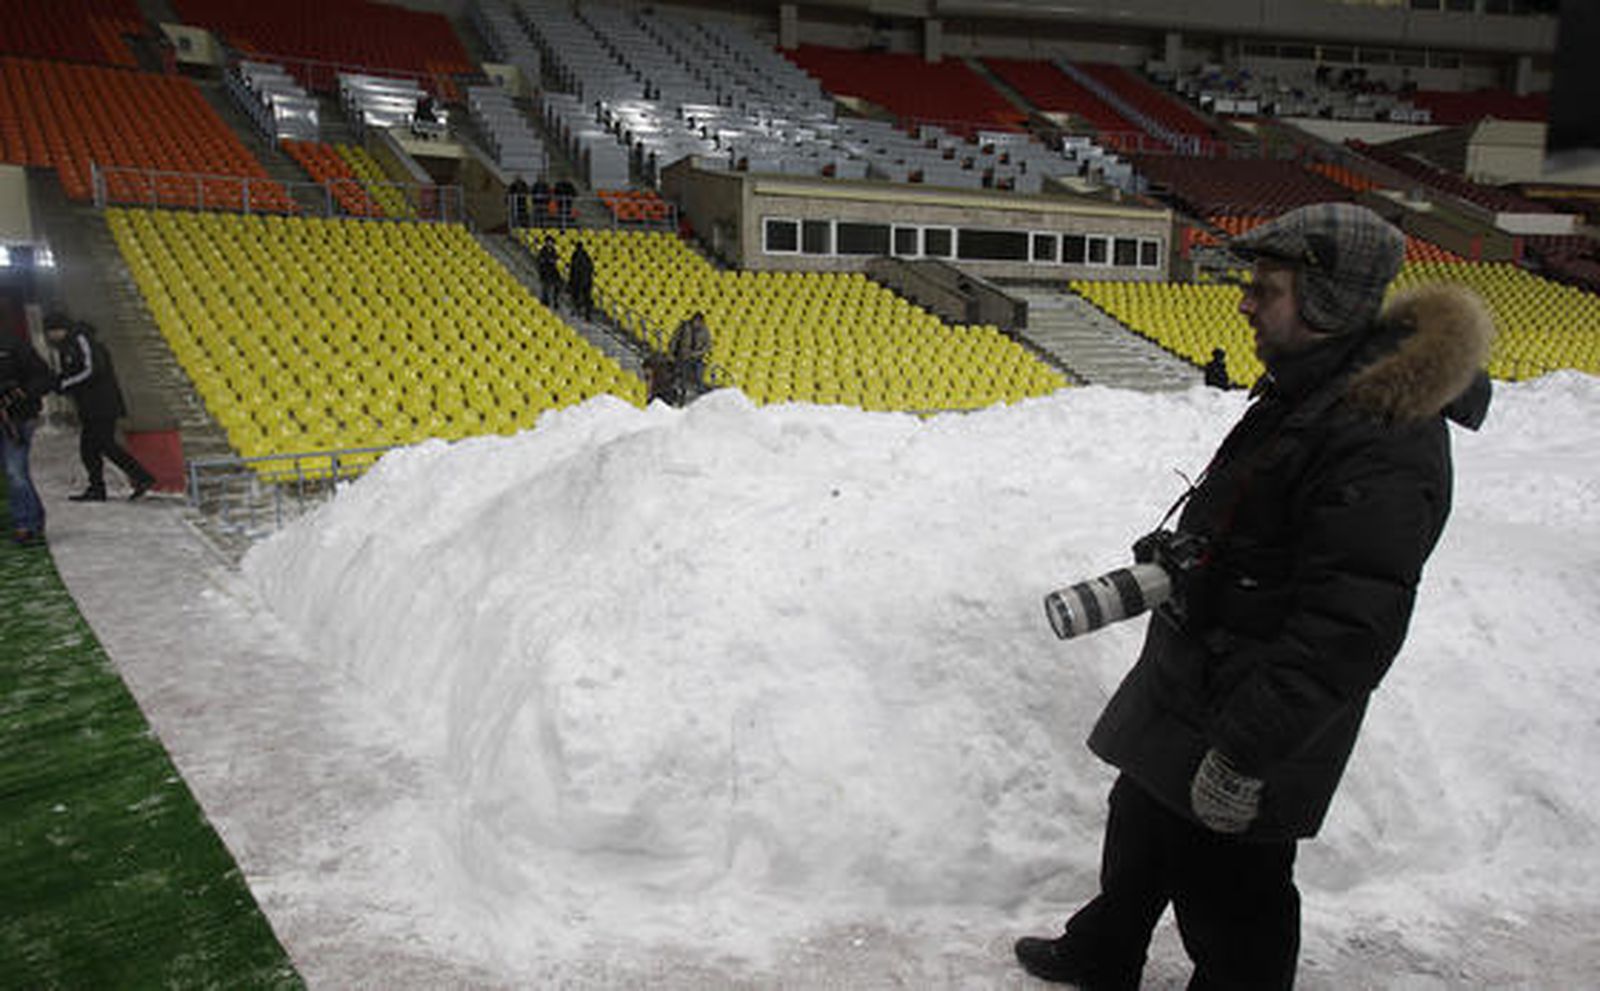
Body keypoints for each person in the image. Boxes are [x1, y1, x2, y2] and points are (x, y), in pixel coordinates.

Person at [1015, 203, 1494, 989]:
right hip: (1204, 663)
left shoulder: (1382, 431)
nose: (1244, 301)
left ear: (1327, 302)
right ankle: (1105, 947)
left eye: (1265, 289)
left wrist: (1247, 752)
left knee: (1234, 889)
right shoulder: (1311, 389)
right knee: (1140, 821)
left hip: (1258, 697)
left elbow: (1351, 622)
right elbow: (1261, 523)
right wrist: (1185, 558)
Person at [43, 314, 155, 502]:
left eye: (50, 332)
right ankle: (97, 488)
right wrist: (61, 381)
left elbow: (92, 369)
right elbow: (72, 371)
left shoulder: (81, 338)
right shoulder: (67, 346)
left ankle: (142, 477)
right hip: (89, 404)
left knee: (104, 444)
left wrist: (65, 384)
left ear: (59, 329)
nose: (49, 337)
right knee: (89, 447)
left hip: (102, 402)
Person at [0, 323, 56, 544]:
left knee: (15, 471)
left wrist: (20, 393)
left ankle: (27, 524)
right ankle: (33, 516)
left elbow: (45, 378)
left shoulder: (14, 346)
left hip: (17, 418)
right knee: (13, 472)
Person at [668, 311, 712, 403]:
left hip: (696, 358)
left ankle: (699, 395)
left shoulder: (705, 331)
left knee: (699, 375)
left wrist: (696, 353)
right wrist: (671, 353)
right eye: (696, 320)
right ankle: (679, 395)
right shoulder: (684, 326)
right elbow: (674, 339)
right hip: (682, 356)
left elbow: (707, 346)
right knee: (680, 375)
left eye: (699, 321)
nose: (697, 323)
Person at [568, 239, 594, 321]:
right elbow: (591, 267)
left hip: (579, 281)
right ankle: (587, 315)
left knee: (578, 296)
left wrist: (571, 280)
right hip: (587, 281)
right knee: (586, 298)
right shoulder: (586, 256)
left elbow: (573, 269)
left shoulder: (575, 256)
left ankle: (578, 311)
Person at [536, 236, 562, 309]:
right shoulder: (542, 251)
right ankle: (545, 300)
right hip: (545, 270)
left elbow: (555, 258)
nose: (550, 244)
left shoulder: (553, 250)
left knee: (557, 285)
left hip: (552, 270)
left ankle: (555, 300)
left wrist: (553, 260)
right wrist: (547, 260)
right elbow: (540, 260)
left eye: (551, 242)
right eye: (549, 242)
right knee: (545, 286)